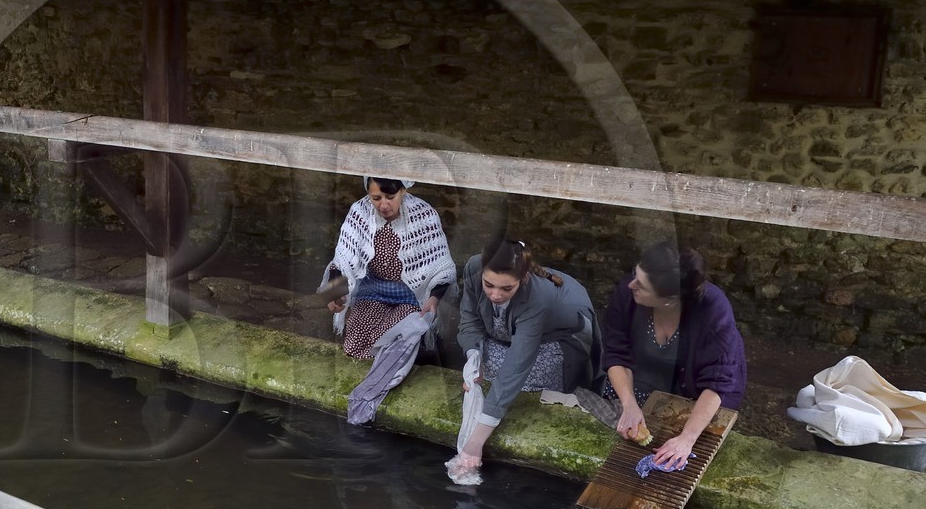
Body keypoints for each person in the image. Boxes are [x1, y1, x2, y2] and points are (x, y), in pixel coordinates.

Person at [448, 237, 598, 475]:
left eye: (506, 288)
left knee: (525, 390)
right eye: (489, 285)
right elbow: (470, 320)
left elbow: (517, 366)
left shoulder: (538, 297)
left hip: (559, 337)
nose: (495, 295)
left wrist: (473, 447)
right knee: (484, 377)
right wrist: (474, 356)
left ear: (523, 278)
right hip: (508, 334)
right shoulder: (474, 267)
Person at [599, 241, 747, 469]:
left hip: (698, 391)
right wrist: (629, 405)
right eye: (634, 274)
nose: (631, 285)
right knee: (626, 427)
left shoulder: (714, 313)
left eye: (642, 285)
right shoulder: (627, 293)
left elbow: (716, 383)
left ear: (669, 300)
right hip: (644, 378)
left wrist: (686, 439)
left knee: (687, 448)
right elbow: (616, 352)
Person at [320, 177, 455, 360]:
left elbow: (442, 268)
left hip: (409, 298)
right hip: (372, 292)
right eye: (376, 198)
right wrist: (335, 294)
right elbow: (343, 260)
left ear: (403, 191)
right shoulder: (359, 212)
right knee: (354, 344)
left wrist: (433, 299)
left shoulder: (424, 215)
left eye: (390, 197)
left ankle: (384, 378)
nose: (383, 205)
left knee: (385, 342)